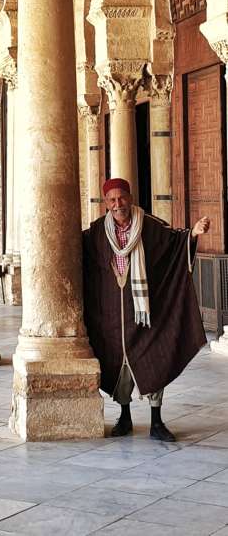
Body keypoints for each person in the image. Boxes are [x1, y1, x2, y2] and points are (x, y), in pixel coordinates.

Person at [83, 178, 210, 441]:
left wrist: (193, 233)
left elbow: (175, 242)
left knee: (154, 359)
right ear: (106, 203)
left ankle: (156, 421)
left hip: (145, 314)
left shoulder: (149, 226)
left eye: (122, 198)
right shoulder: (97, 232)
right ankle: (125, 417)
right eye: (112, 200)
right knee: (117, 366)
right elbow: (77, 252)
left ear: (130, 197)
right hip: (111, 316)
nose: (118, 204)